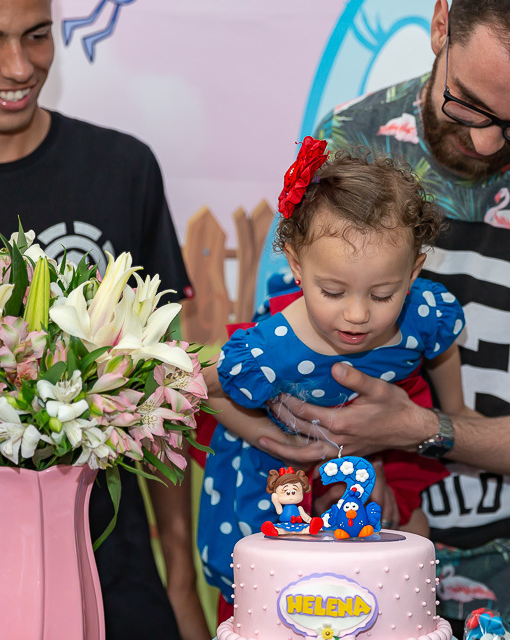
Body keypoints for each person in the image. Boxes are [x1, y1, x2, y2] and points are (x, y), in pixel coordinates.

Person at [240, 0, 510, 636]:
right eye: (467, 103)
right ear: (441, 23)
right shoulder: (352, 140)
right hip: (358, 572)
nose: (487, 142)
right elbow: (288, 341)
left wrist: (423, 427)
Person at [0, 1, 207, 638]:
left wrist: (179, 581)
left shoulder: (122, 168)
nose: (19, 66)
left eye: (37, 35)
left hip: (109, 584)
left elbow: (165, 395)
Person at [198, 141, 477, 606]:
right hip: (275, 469)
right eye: (332, 291)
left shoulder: (424, 312)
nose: (357, 315)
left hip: (377, 443)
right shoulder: (274, 347)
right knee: (271, 580)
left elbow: (442, 347)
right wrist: (277, 442)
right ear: (296, 265)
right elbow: (201, 387)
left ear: (413, 273)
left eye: (383, 294)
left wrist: (458, 409)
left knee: (408, 537)